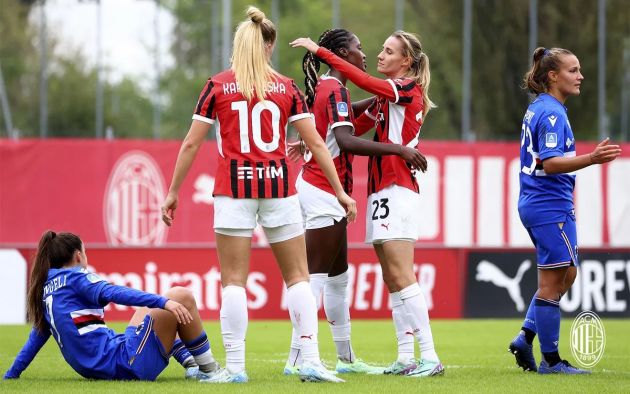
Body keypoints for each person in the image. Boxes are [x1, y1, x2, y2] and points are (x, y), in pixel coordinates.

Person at [161, 6, 356, 384]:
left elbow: (190, 144)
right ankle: (311, 360)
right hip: (279, 188)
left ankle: (234, 369)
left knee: (233, 281)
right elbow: (316, 142)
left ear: (238, 45)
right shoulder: (287, 87)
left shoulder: (217, 85)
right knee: (298, 278)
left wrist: (172, 193)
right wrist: (341, 194)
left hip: (233, 191)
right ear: (270, 46)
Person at [291, 31, 443, 378]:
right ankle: (406, 356)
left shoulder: (406, 89)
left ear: (407, 62)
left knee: (403, 274)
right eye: (379, 48)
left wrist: (321, 52)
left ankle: (430, 357)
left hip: (397, 186)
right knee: (391, 277)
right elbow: (347, 129)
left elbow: (361, 80)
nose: (379, 55)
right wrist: (310, 142)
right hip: (379, 190)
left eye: (389, 51)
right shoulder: (385, 101)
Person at [508, 47, 621, 374]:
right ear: (553, 76)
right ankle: (551, 361)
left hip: (544, 203)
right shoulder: (553, 113)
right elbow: (552, 161)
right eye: (573, 70)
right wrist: (592, 158)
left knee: (565, 275)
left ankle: (525, 337)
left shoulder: (541, 107)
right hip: (548, 205)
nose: (580, 75)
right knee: (553, 281)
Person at [4, 231, 219, 381]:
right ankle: (211, 372)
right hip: (127, 364)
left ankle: (190, 364)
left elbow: (35, 339)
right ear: (79, 255)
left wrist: (11, 374)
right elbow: (114, 292)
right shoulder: (76, 277)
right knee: (180, 296)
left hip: (106, 364)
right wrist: (165, 301)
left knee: (147, 310)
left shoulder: (47, 290)